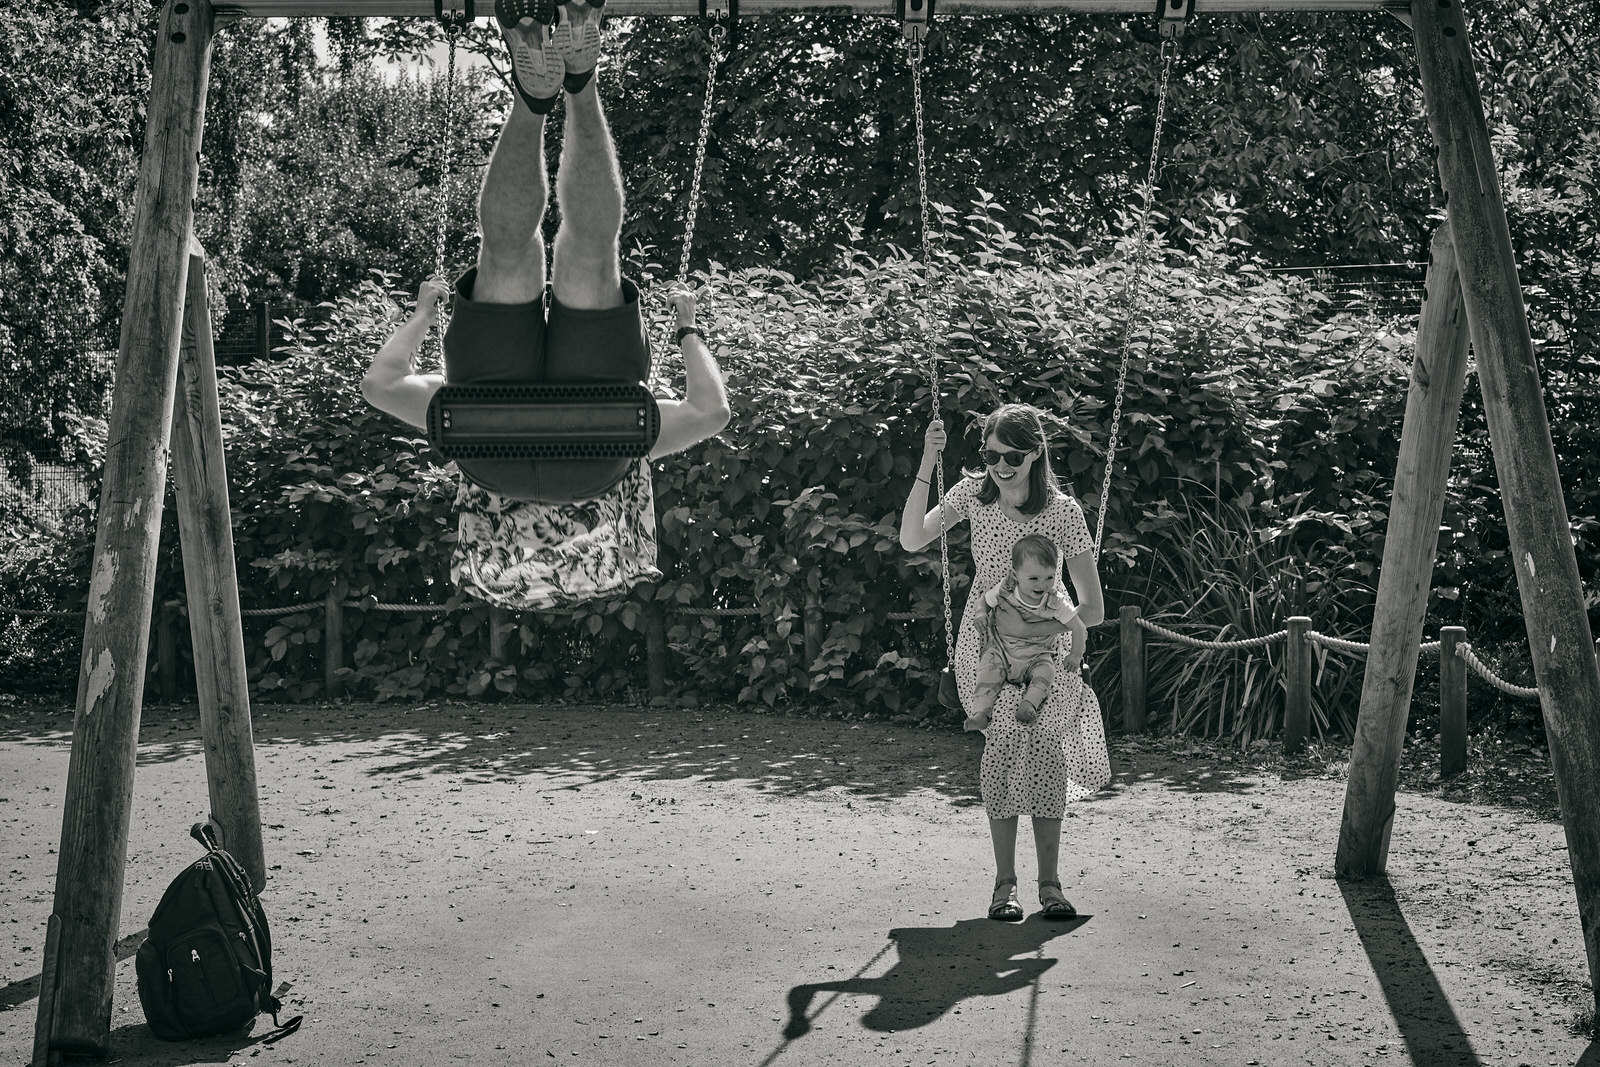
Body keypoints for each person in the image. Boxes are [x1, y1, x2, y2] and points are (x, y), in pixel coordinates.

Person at [360, 0, 731, 610]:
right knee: (506, 253)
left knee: (589, 252)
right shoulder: (479, 452)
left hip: (601, 445)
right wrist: (425, 314)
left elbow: (711, 410)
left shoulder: (626, 458)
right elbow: (381, 383)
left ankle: (577, 83)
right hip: (488, 443)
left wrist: (689, 329)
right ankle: (537, 98)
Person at [899, 403, 1111, 922]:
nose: (999, 465)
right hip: (985, 645)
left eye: (1012, 455)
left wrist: (1041, 629)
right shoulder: (973, 493)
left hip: (1046, 650)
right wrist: (929, 460)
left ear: (1036, 452)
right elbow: (910, 538)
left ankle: (1051, 885)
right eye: (991, 454)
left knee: (1044, 755)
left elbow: (1094, 607)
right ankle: (1004, 886)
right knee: (1000, 756)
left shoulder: (1062, 512)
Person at [967, 533, 1082, 732]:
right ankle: (981, 713)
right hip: (1002, 651)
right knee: (987, 670)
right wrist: (980, 614)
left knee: (1046, 672)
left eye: (1049, 577)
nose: (1042, 584)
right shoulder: (1006, 589)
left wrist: (1076, 654)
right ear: (1015, 574)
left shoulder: (1055, 602)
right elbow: (984, 601)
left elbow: (1078, 627)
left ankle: (1029, 704)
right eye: (1034, 578)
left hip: (1036, 655)